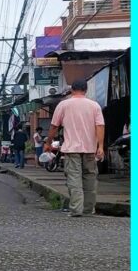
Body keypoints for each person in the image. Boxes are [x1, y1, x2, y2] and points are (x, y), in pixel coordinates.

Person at [45, 79, 105, 217]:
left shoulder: (64, 105)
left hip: (72, 149)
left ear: (72, 90)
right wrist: (100, 146)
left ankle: (76, 209)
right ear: (86, 90)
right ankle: (88, 209)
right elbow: (100, 126)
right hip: (90, 148)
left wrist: (48, 142)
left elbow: (54, 126)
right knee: (90, 178)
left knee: (74, 178)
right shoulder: (94, 105)